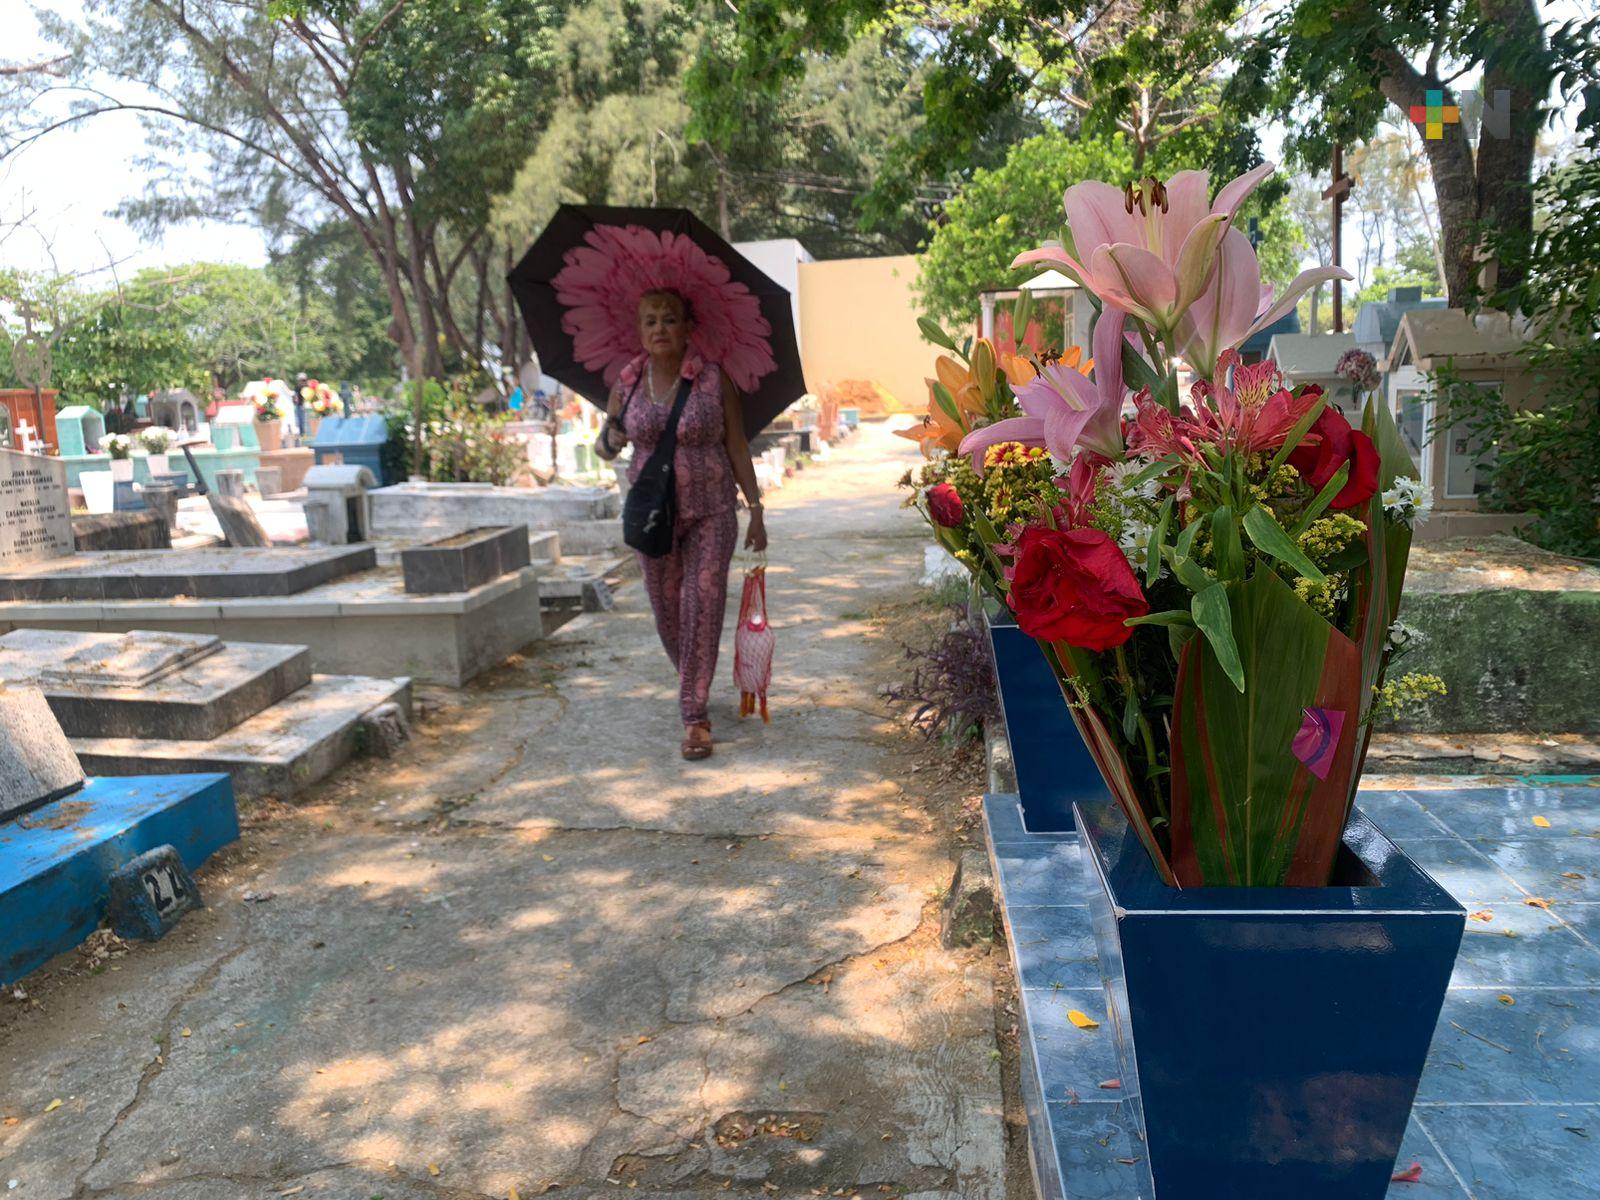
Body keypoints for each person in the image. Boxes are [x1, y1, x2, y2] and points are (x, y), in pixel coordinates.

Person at [594, 288, 767, 761]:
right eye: (650, 321)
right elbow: (604, 448)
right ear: (639, 330)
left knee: (702, 603)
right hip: (654, 518)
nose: (659, 329)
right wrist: (610, 438)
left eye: (669, 319)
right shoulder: (628, 382)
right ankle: (695, 676)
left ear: (689, 327)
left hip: (712, 511)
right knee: (667, 612)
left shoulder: (712, 379)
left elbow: (737, 446)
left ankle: (694, 714)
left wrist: (755, 509)